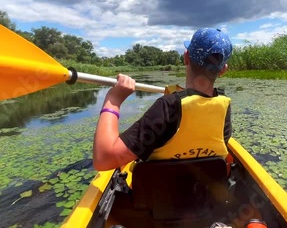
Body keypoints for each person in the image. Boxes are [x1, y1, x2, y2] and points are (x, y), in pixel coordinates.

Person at [92, 28, 233, 171]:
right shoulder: (224, 107)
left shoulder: (168, 106)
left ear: (186, 57)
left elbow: (103, 160)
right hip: (203, 192)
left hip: (161, 192)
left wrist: (114, 99)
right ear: (223, 70)